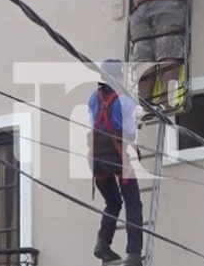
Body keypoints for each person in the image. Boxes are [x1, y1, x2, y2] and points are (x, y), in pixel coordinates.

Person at [88, 59, 143, 266]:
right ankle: (134, 254)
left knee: (112, 202)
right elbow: (128, 132)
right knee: (133, 203)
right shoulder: (125, 101)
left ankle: (102, 244)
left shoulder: (93, 99)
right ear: (119, 76)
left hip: (96, 160)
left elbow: (93, 124)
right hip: (117, 157)